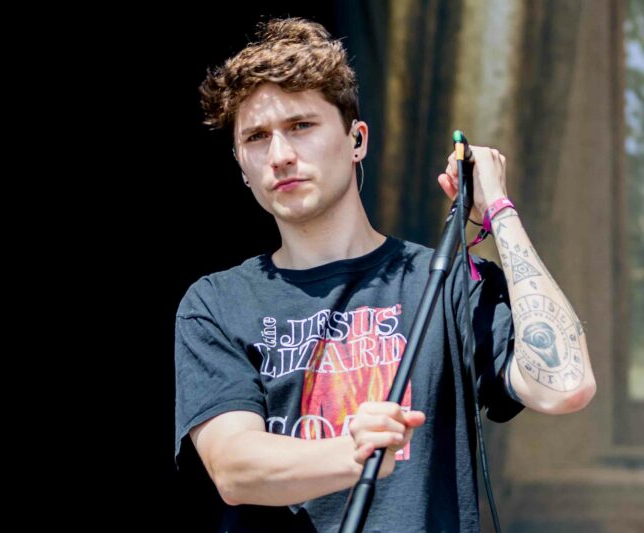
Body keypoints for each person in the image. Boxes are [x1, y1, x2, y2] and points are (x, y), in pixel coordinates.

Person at [174, 17, 596, 532]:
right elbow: (234, 469)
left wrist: (500, 213)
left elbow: (565, 387)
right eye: (257, 137)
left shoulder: (447, 284)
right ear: (242, 164)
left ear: (357, 140)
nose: (280, 156)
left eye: (301, 126)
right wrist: (353, 451)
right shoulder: (217, 303)